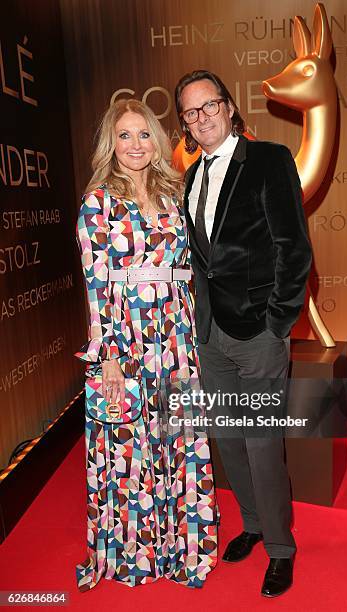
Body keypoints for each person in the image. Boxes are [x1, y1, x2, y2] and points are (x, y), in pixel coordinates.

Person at [175, 70, 312, 598]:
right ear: (185, 123)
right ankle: (252, 524)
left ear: (229, 108)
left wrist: (277, 323)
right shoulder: (190, 178)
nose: (202, 117)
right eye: (190, 111)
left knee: (261, 443)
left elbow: (293, 248)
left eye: (209, 105)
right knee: (229, 440)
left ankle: (281, 548)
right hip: (209, 335)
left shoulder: (270, 160)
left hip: (257, 332)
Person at [75, 98, 217, 591]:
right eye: (124, 136)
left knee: (178, 438)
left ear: (156, 141)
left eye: (143, 135)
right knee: (131, 445)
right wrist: (108, 356)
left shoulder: (175, 191)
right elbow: (97, 285)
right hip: (128, 338)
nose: (135, 145)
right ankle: (137, 552)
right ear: (110, 145)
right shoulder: (98, 202)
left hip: (177, 336)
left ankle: (183, 549)